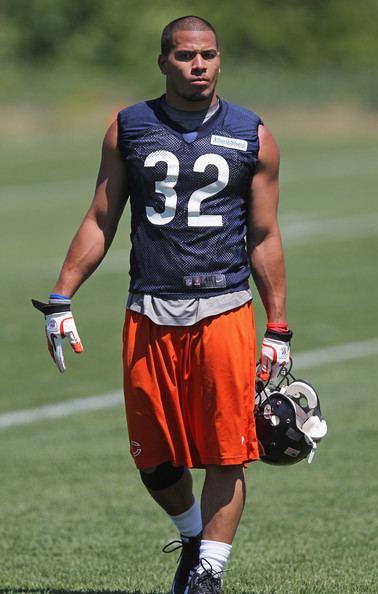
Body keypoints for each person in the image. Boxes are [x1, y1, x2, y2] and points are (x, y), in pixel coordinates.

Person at [33, 15, 292, 594]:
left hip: (224, 307)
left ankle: (207, 575)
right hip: (149, 309)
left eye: (208, 55)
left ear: (219, 60)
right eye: (184, 56)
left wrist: (277, 327)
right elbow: (102, 218)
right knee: (154, 459)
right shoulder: (129, 127)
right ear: (163, 62)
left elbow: (265, 235)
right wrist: (61, 295)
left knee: (228, 453)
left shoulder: (254, 133)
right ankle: (194, 534)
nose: (198, 65)